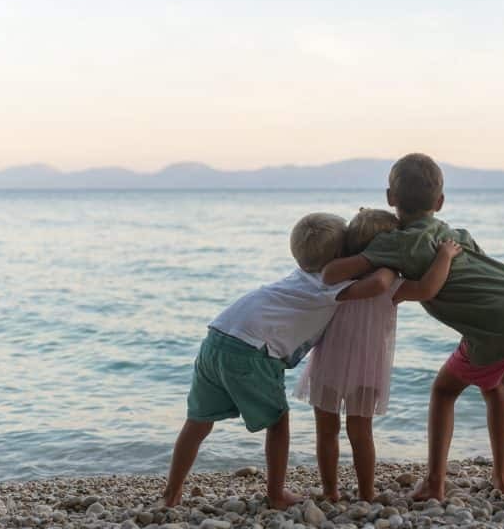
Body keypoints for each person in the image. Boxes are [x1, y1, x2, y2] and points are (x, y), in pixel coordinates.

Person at [323, 154, 504, 501]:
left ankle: (435, 482)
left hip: (498, 330)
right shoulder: (455, 234)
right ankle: (503, 477)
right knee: (495, 388)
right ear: (440, 202)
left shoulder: (395, 243)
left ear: (390, 198)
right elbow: (480, 272)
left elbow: (345, 269)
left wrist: (326, 265)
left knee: (444, 392)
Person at [162, 212, 397, 509]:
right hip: (253, 349)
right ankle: (276, 494)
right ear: (339, 257)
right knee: (278, 422)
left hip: (217, 335)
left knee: (198, 421)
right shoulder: (329, 283)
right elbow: (377, 285)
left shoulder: (299, 275)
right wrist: (388, 259)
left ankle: (171, 493)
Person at [294, 208, 461, 501]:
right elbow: (427, 288)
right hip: (367, 368)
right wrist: (444, 256)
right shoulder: (391, 283)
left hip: (328, 364)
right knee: (361, 433)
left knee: (326, 431)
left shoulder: (337, 275)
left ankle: (331, 492)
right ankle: (367, 494)